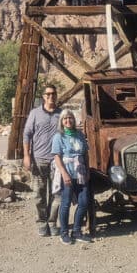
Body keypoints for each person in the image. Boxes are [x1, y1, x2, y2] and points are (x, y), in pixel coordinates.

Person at [23, 84, 62, 237]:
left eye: (53, 94)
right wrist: (27, 156)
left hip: (56, 162)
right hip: (39, 160)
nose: (51, 96)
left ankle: (52, 222)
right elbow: (26, 134)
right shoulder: (34, 113)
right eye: (48, 94)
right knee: (39, 194)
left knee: (57, 195)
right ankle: (42, 222)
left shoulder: (61, 114)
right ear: (43, 96)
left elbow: (68, 133)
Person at [51, 109, 92, 245]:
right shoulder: (59, 136)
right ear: (61, 122)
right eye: (65, 119)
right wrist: (64, 173)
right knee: (66, 203)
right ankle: (64, 233)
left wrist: (87, 171)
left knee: (84, 202)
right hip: (67, 172)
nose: (68, 121)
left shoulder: (79, 134)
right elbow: (57, 156)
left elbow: (85, 154)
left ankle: (76, 231)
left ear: (74, 120)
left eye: (70, 118)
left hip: (80, 172)